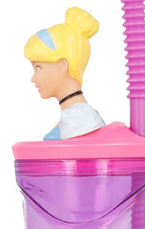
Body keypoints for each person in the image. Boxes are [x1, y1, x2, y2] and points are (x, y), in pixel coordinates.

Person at [24, 7, 105, 140]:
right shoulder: (78, 116)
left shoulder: (78, 118)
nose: (33, 78)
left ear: (63, 65)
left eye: (38, 67)